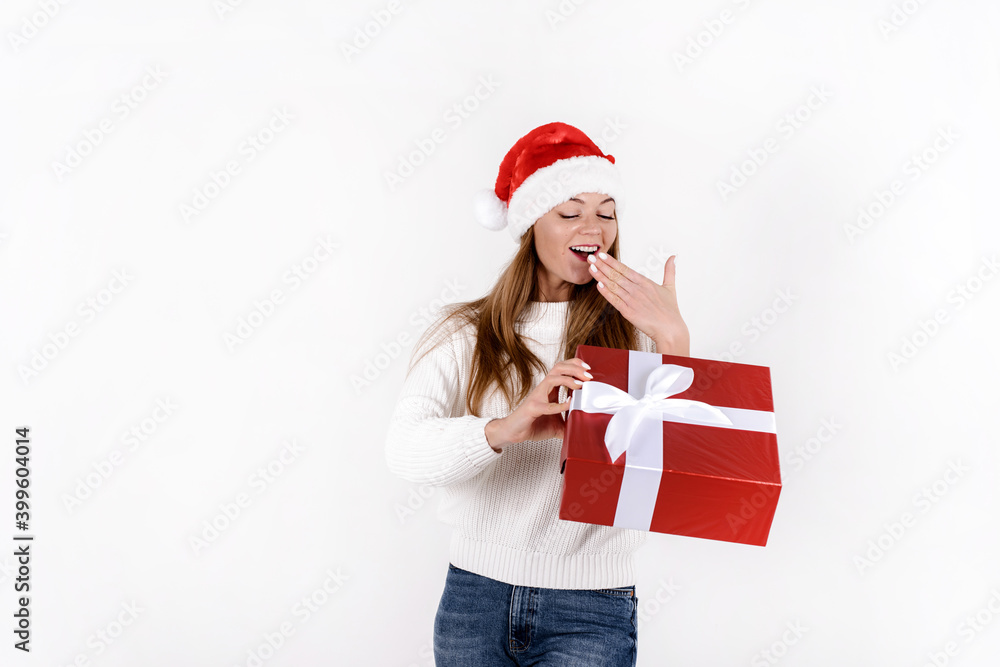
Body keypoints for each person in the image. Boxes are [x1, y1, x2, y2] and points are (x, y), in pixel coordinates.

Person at [384, 121, 689, 666]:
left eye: (607, 212)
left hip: (592, 609)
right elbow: (404, 451)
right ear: (529, 226)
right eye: (570, 212)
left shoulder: (639, 335)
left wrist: (673, 342)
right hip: (474, 601)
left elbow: (678, 485)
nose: (594, 228)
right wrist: (507, 428)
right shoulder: (465, 332)